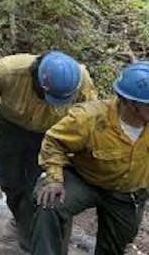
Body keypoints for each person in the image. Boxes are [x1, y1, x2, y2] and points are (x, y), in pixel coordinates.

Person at [0, 51, 97, 249]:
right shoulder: (7, 71)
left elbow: (89, 116)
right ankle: (20, 218)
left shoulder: (81, 80)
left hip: (52, 136)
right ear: (37, 80)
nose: (50, 103)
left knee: (39, 187)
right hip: (12, 128)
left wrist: (79, 152)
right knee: (9, 180)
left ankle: (31, 234)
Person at [30, 60, 149, 255]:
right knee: (49, 204)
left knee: (117, 247)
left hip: (128, 193)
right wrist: (53, 178)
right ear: (134, 104)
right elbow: (54, 142)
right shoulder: (89, 118)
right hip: (84, 179)